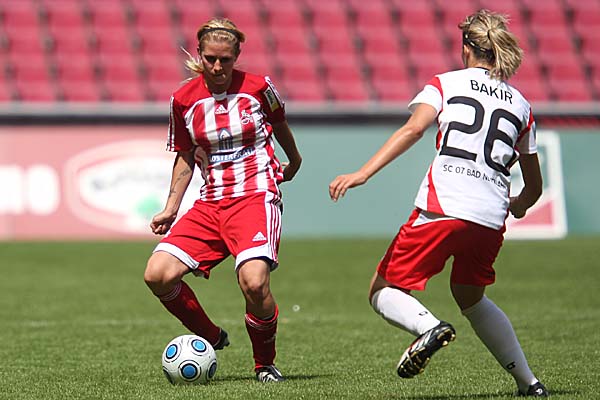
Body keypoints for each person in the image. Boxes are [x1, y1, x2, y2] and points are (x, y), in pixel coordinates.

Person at [329, 9, 548, 397]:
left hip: (444, 205)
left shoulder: (446, 83)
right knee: (470, 296)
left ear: (466, 47)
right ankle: (529, 383)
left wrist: (362, 173)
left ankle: (430, 328)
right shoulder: (522, 105)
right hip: (490, 218)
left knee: (382, 290)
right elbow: (533, 188)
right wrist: (518, 204)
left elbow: (414, 128)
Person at [143, 17, 302, 383]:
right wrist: (171, 208)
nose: (217, 67)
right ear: (200, 54)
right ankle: (211, 336)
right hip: (211, 201)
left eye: (225, 60)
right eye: (210, 58)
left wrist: (294, 160)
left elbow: (280, 125)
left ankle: (264, 365)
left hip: (255, 196)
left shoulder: (259, 88)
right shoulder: (183, 100)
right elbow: (185, 155)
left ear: (236, 56)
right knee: (157, 275)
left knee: (254, 283)